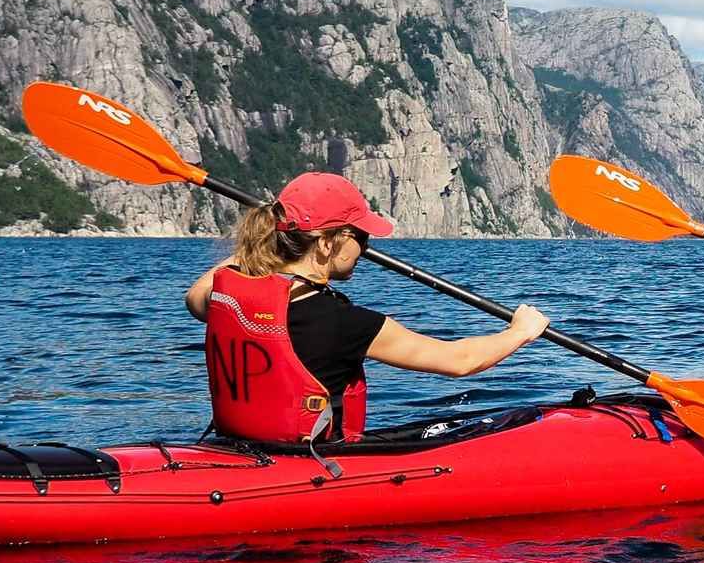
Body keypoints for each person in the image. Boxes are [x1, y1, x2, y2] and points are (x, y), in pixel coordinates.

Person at [185, 172, 548, 444]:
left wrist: (271, 238)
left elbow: (196, 294)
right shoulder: (343, 323)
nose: (366, 247)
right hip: (312, 461)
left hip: (241, 447)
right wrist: (520, 332)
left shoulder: (227, 299)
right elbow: (460, 361)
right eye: (360, 236)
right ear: (328, 244)